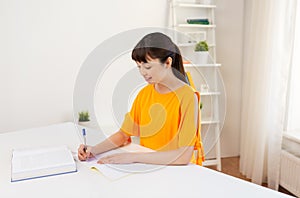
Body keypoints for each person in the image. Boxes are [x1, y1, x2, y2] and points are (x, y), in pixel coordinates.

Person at [78, 32, 204, 165]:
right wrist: (93, 150)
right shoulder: (144, 94)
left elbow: (183, 156)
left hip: (178, 172)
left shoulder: (187, 96)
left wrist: (133, 157)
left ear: (167, 62)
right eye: (139, 67)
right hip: (148, 168)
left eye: (148, 66)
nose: (143, 72)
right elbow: (123, 135)